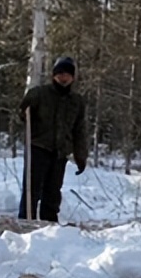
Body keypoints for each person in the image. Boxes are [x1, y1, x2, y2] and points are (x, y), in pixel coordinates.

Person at [18, 56, 90, 222]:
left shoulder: (76, 102)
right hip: (38, 147)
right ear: (54, 75)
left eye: (67, 74)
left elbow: (79, 131)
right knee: (31, 189)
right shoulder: (39, 94)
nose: (63, 77)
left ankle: (49, 226)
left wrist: (81, 156)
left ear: (72, 77)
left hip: (60, 152)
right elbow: (22, 115)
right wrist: (23, 112)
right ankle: (26, 221)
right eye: (60, 74)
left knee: (52, 192)